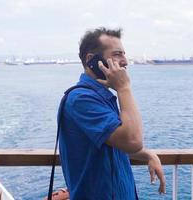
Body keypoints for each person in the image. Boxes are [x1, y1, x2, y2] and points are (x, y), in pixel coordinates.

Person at [58, 27, 166, 199]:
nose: (125, 61)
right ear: (92, 60)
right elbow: (133, 141)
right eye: (117, 54)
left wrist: (147, 154)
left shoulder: (101, 97)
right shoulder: (81, 99)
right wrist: (124, 88)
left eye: (124, 54)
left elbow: (113, 142)